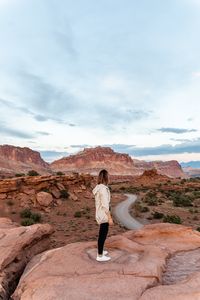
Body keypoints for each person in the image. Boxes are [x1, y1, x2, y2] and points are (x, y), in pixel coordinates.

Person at [92, 169, 114, 262]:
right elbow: (105, 205)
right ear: (106, 177)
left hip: (99, 213)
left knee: (102, 234)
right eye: (108, 176)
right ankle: (100, 256)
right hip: (104, 214)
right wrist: (109, 217)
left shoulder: (98, 187)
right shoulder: (103, 189)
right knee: (102, 235)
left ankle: (100, 251)